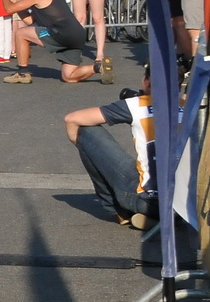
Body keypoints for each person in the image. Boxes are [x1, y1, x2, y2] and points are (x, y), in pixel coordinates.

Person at [64, 71, 156, 229]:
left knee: (86, 132)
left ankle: (118, 209)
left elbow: (71, 119)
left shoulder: (139, 104)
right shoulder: (192, 106)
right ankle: (168, 218)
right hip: (184, 205)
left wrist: (85, 148)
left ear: (147, 82)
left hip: (147, 200)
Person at [0, 0, 100, 84]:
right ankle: (98, 67)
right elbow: (29, 20)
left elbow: (9, 9)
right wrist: (16, 1)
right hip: (77, 35)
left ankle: (22, 73)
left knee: (21, 33)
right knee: (69, 76)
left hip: (61, 33)